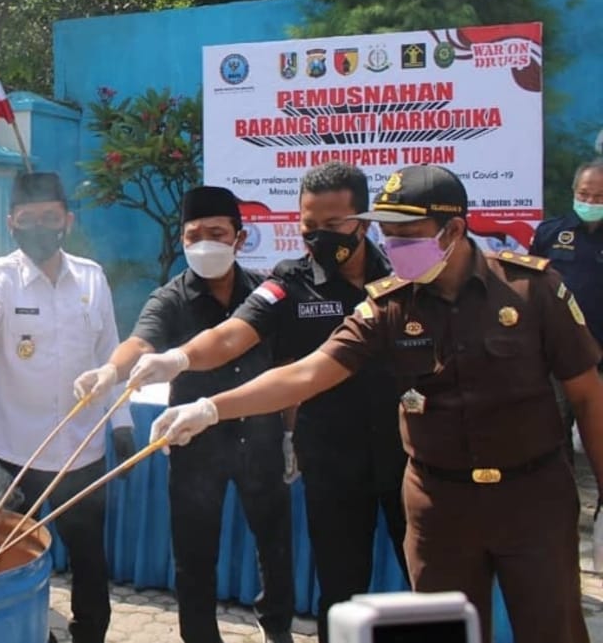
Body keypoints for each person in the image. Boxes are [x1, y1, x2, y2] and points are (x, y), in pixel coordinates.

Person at [141, 164, 603, 643]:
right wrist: (209, 405)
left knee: (553, 627)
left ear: (455, 230)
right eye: (391, 233)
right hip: (436, 501)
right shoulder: (387, 305)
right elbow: (307, 371)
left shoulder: (531, 290)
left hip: (530, 497)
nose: (397, 244)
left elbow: (588, 397)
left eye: (409, 234)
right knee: (437, 628)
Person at [94, 165, 405, 641]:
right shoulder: (288, 281)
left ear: (363, 222)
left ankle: (275, 627)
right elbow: (232, 335)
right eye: (308, 228)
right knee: (340, 592)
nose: (318, 238)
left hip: (406, 455)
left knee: (430, 580)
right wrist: (177, 359)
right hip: (332, 461)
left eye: (333, 227)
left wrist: (281, 432)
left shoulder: (404, 276)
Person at [75, 186, 294, 643]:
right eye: (195, 235)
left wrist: (291, 432)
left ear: (239, 237)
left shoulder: (267, 294)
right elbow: (140, 343)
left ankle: (277, 629)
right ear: (182, 240)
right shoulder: (171, 298)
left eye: (217, 232)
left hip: (261, 440)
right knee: (194, 556)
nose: (205, 243)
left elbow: (288, 367)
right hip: (195, 444)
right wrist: (109, 372)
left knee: (275, 547)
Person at [0, 171, 133, 643]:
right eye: (28, 219)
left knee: (89, 555)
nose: (39, 227)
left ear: (66, 221)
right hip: (14, 449)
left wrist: (122, 420)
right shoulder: (0, 276)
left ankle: (89, 633)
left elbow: (109, 352)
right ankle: (22, 632)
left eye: (49, 218)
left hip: (81, 451)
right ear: (11, 223)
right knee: (13, 555)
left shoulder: (91, 279)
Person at [530, 158, 603, 453]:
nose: (590, 201)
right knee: (552, 434)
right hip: (558, 357)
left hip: (600, 361)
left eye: (599, 197)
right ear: (573, 191)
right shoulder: (549, 233)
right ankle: (559, 496)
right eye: (584, 194)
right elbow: (531, 290)